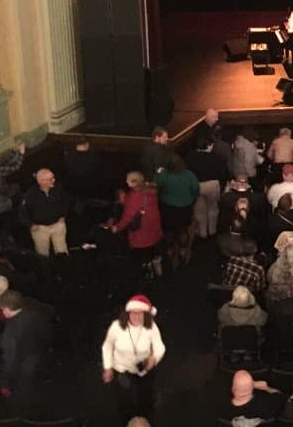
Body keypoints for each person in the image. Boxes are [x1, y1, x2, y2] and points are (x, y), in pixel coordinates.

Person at [102, 295, 166, 425]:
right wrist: (108, 367)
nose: (137, 317)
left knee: (146, 403)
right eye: (134, 313)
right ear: (128, 313)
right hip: (122, 370)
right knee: (124, 404)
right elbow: (107, 346)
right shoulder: (117, 327)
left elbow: (160, 347)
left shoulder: (151, 327)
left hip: (145, 370)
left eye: (140, 314)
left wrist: (154, 359)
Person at [0, 289, 53, 410]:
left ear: (7, 308)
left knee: (21, 395)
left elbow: (10, 361)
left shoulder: (10, 332)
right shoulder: (35, 314)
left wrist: (5, 383)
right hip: (37, 356)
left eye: (2, 308)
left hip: (21, 367)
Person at [110, 171, 164, 276]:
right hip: (154, 229)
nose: (126, 182)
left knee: (142, 256)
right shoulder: (151, 191)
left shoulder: (133, 197)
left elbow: (127, 217)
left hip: (141, 235)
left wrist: (116, 228)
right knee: (154, 250)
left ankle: (147, 270)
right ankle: (157, 265)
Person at [156, 154, 200, 265]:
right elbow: (196, 190)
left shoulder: (164, 175)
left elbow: (157, 187)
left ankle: (170, 249)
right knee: (183, 229)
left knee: (168, 230)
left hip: (167, 207)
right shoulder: (189, 175)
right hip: (184, 208)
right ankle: (183, 249)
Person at [20, 168, 71, 257]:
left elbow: (66, 201)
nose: (54, 180)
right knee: (42, 255)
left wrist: (63, 215)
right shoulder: (30, 194)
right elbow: (22, 212)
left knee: (62, 252)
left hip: (58, 225)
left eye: (53, 178)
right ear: (42, 181)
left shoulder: (58, 188)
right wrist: (30, 225)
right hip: (40, 229)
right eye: (50, 179)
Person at [188, 135, 225, 239]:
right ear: (209, 145)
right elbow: (222, 172)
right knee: (213, 208)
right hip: (212, 185)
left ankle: (202, 233)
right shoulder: (216, 157)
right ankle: (212, 231)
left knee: (199, 210)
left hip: (197, 185)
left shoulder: (190, 157)